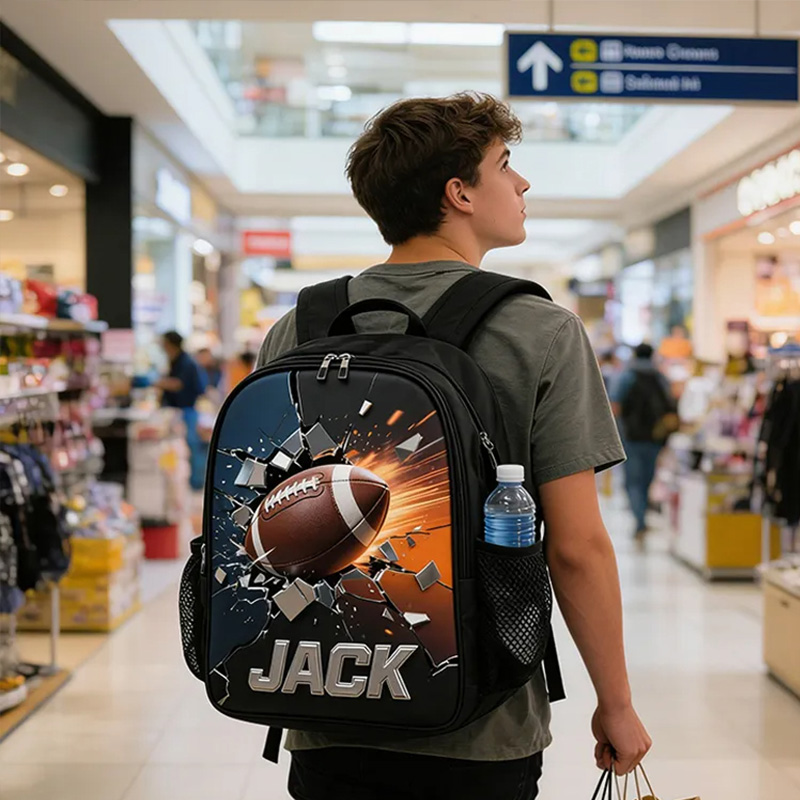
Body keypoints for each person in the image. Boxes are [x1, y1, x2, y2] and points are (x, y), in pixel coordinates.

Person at [257, 93, 651, 800]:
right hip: (479, 715)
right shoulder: (540, 330)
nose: (523, 184)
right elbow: (576, 546)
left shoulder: (300, 327)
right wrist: (615, 702)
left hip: (323, 699)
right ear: (459, 192)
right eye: (506, 165)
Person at [611, 343, 677, 540]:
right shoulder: (660, 377)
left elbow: (614, 405)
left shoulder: (625, 376)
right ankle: (642, 517)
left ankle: (639, 520)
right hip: (655, 437)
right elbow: (670, 403)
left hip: (630, 437)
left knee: (632, 481)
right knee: (648, 478)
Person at [155, 331, 208, 490]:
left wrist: (158, 383)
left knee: (190, 447)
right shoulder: (176, 361)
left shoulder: (185, 362)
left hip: (186, 411)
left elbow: (179, 384)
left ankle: (196, 483)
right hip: (179, 411)